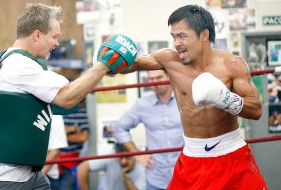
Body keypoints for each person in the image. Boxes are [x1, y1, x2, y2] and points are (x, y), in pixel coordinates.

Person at [96, 4, 268, 189]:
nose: (176, 43)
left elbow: (256, 110)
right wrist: (107, 63)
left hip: (232, 153)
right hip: (194, 156)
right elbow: (131, 64)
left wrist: (226, 100)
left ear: (204, 35)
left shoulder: (232, 65)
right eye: (174, 37)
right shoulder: (169, 60)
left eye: (182, 36)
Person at [0, 3, 136, 190]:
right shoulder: (20, 66)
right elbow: (66, 99)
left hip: (26, 174)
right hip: (5, 178)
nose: (56, 43)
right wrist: (103, 65)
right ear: (37, 35)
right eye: (54, 37)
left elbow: (60, 104)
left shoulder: (1, 58)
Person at [113, 69, 184, 190]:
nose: (154, 82)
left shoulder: (184, 100)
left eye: (159, 78)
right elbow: (119, 128)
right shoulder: (143, 105)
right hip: (156, 178)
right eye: (151, 79)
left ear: (169, 77)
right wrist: (137, 154)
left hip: (184, 176)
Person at [77, 143, 146, 190]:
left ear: (134, 155)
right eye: (121, 157)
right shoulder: (111, 156)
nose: (124, 161)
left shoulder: (142, 167)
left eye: (127, 157)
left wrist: (126, 177)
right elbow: (82, 168)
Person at [58, 99, 90, 190]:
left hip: (72, 162)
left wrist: (60, 135)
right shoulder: (56, 111)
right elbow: (49, 135)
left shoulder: (81, 111)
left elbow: (83, 137)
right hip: (53, 160)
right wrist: (71, 130)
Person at [42, 115, 68, 190]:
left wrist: (33, 179)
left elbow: (55, 151)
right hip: (16, 176)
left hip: (47, 176)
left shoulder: (55, 115)